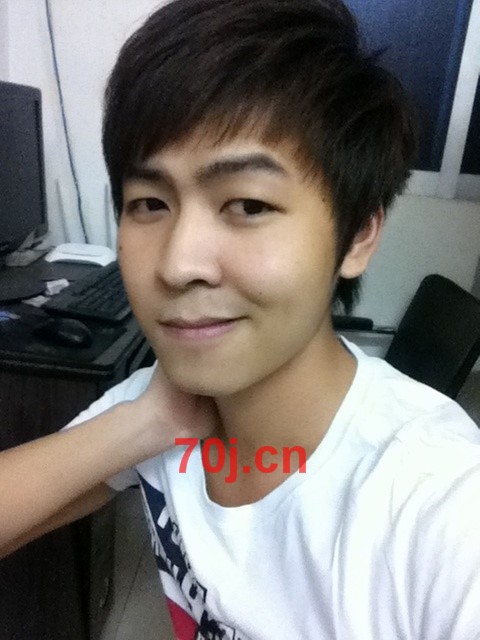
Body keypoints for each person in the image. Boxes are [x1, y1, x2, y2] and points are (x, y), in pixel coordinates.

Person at [1, 0, 479, 638]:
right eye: (149, 203)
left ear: (359, 235)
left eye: (248, 205)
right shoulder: (165, 399)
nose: (178, 264)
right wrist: (145, 423)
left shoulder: (440, 502)